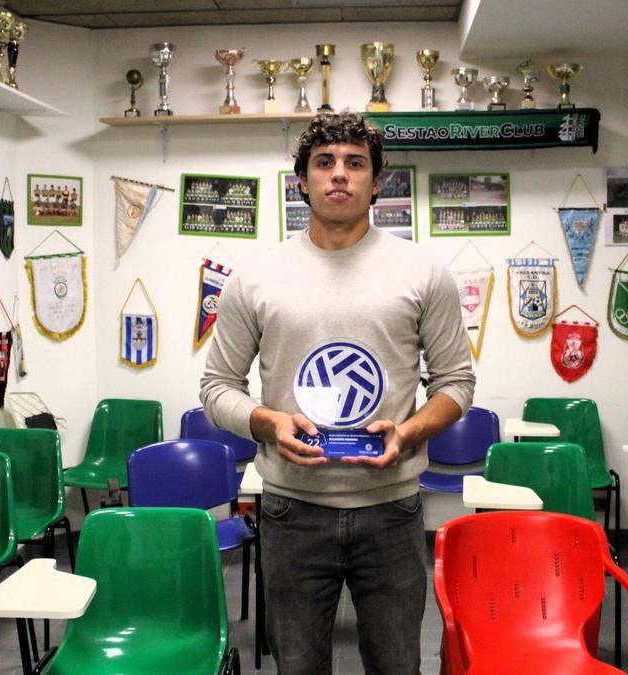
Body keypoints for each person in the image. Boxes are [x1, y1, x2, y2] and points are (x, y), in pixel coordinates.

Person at [200, 111, 475, 674]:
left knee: (398, 665)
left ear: (378, 182)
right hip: (290, 511)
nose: (339, 175)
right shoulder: (255, 278)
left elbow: (456, 383)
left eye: (356, 163)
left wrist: (409, 430)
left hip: (392, 511)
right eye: (324, 163)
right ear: (302, 180)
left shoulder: (423, 271)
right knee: (298, 667)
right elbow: (216, 387)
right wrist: (268, 422)